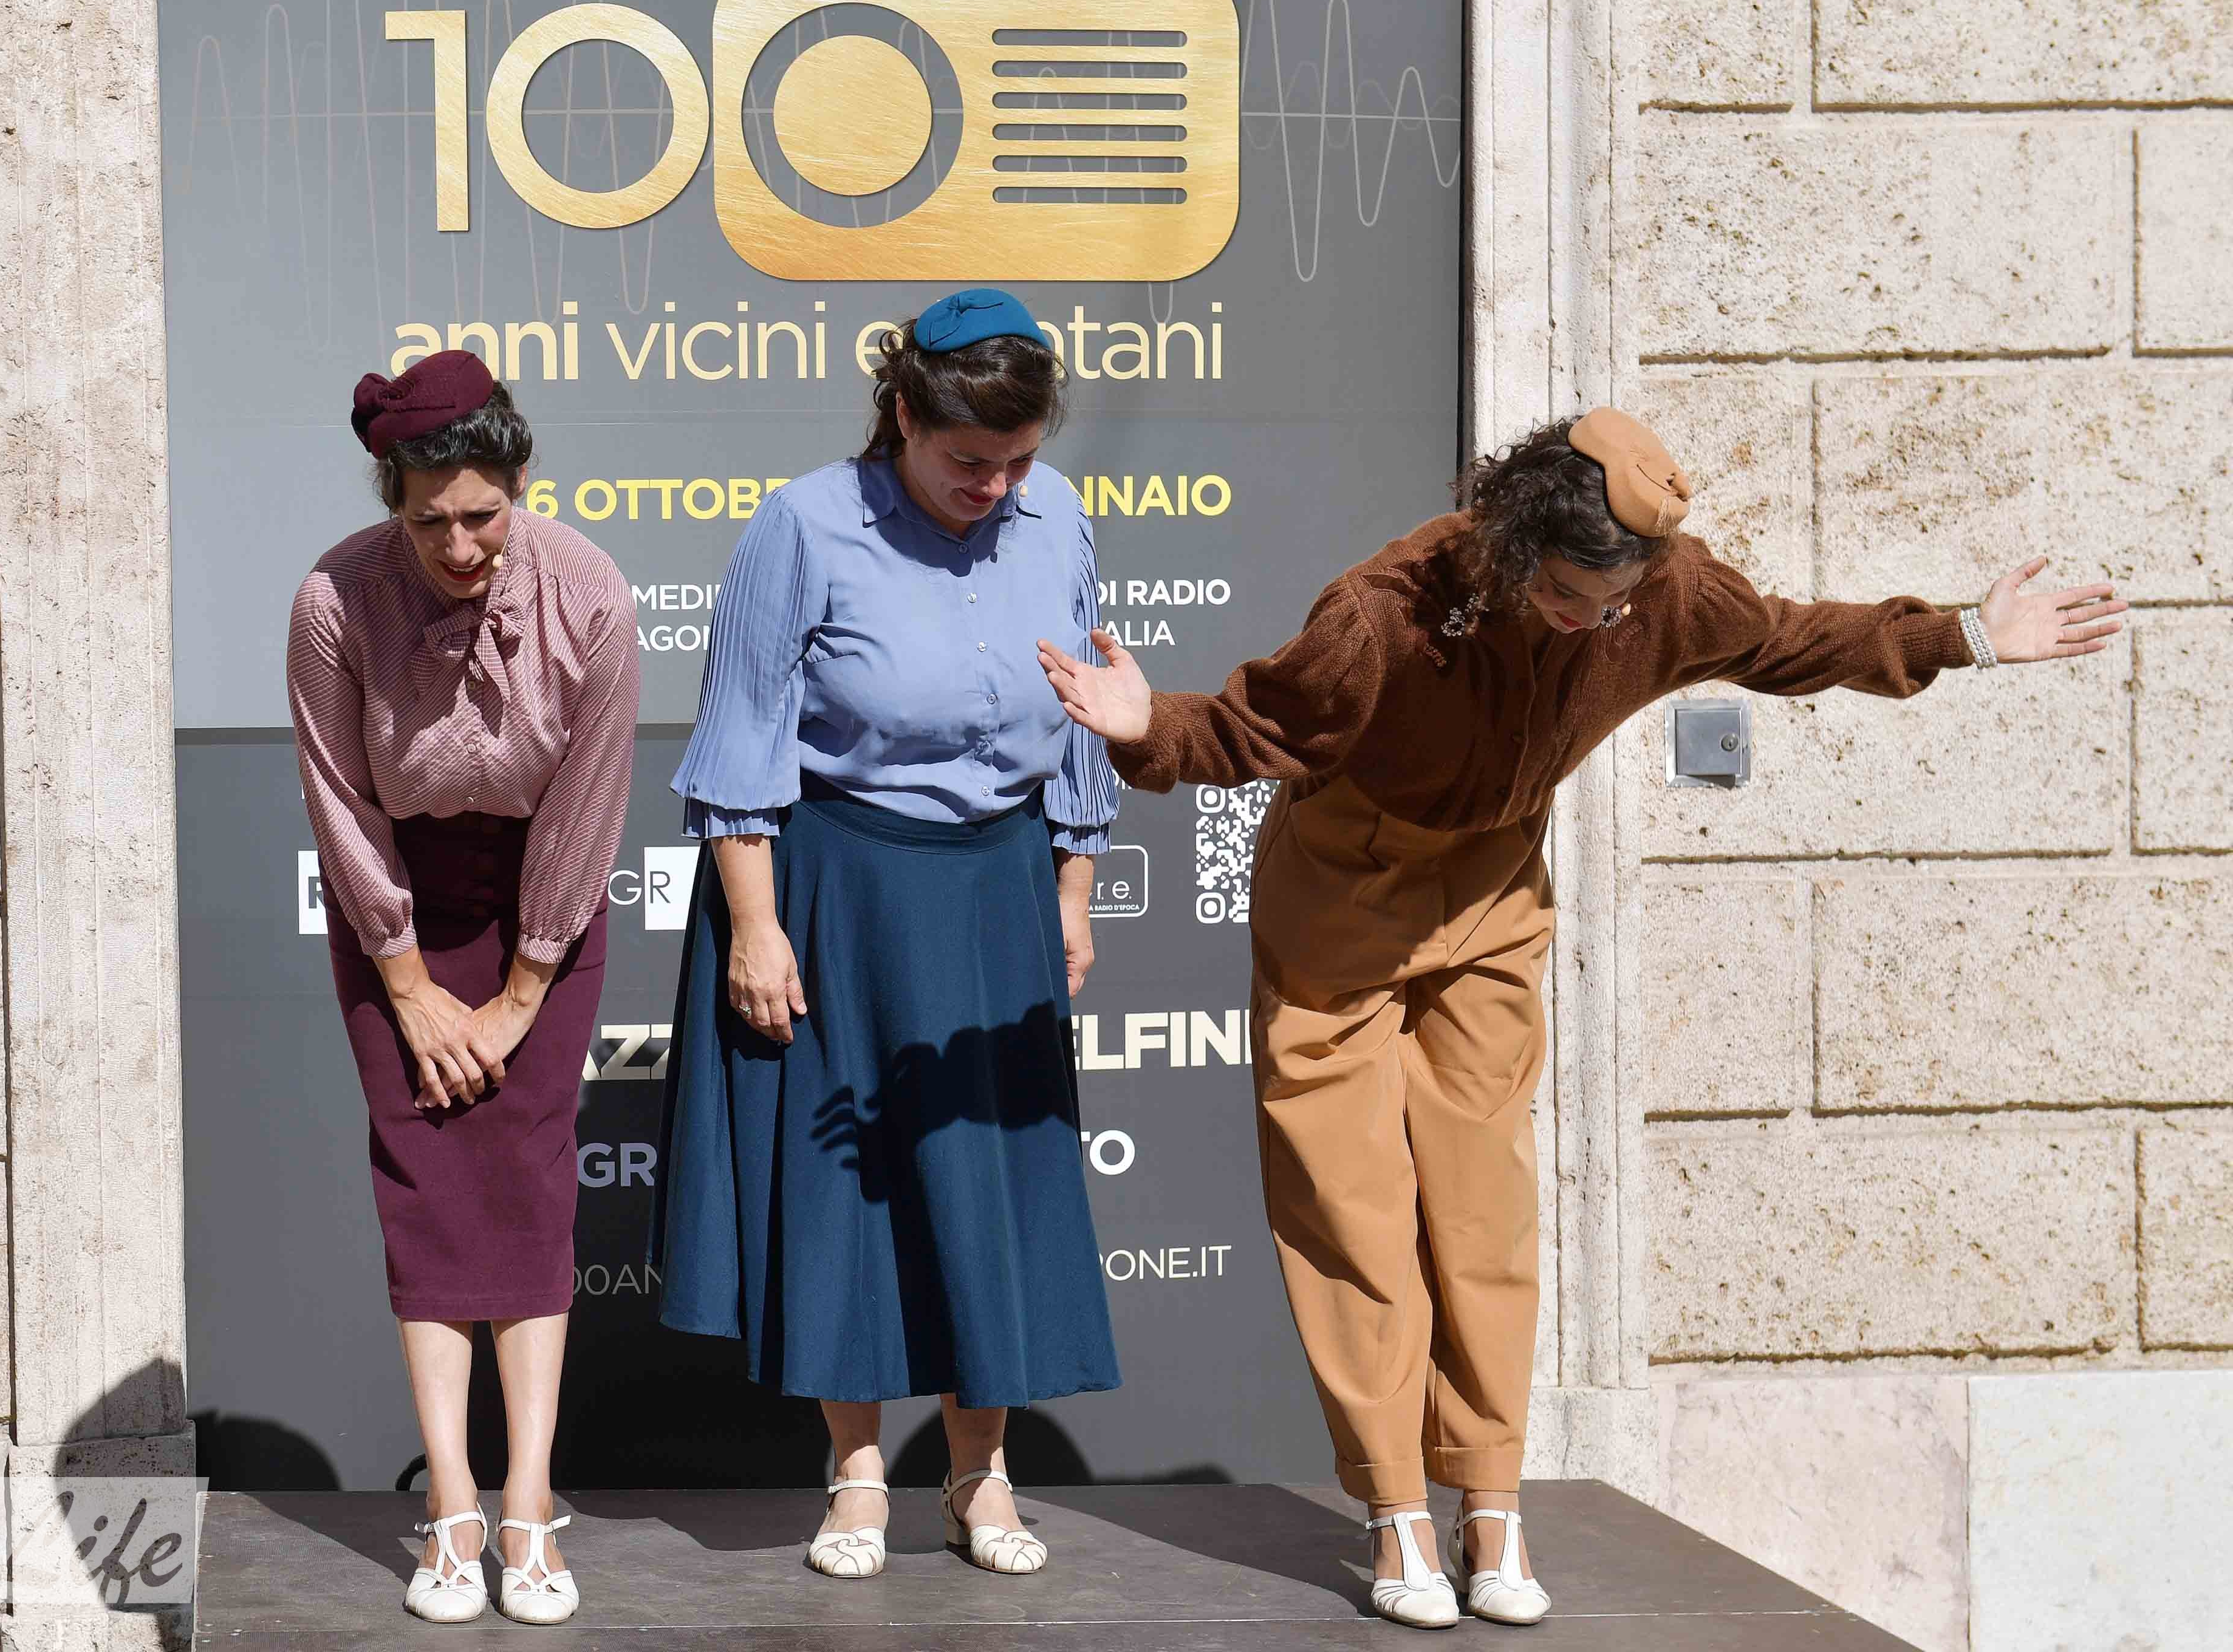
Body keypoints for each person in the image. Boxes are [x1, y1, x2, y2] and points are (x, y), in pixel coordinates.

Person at [1039, 408, 2124, 1630]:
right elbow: (1256, 731)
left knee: (1484, 1210)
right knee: (1347, 1210)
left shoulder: (1663, 594)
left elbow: (1783, 640)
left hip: (1494, 889)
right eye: (1565, 595)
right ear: (1513, 543)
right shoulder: (1385, 613)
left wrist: (1963, 636)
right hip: (1342, 891)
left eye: (1612, 603)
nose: (1591, 621)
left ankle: (1489, 1506)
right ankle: (1394, 1510)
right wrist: (1146, 728)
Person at [654, 288, 1121, 1582]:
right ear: (904, 414)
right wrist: (756, 928)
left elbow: (1085, 714)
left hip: (1000, 884)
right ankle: (856, 1475)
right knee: (848, 1189)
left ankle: (981, 1474)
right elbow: (742, 739)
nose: (995, 486)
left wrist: (1074, 890)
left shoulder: (1059, 515)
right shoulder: (803, 525)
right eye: (969, 458)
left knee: (992, 1179)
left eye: (1017, 459)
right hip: (841, 884)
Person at [287, 349, 641, 1626]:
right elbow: (340, 800)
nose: (458, 546)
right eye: (428, 520)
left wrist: (520, 996)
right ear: (392, 502)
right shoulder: (334, 600)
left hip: (544, 905)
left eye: (481, 516)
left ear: (521, 484)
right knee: (427, 1192)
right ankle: (452, 1506)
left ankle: (529, 1503)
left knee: (532, 1189)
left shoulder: (591, 595)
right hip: (398, 906)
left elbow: (589, 805)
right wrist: (410, 987)